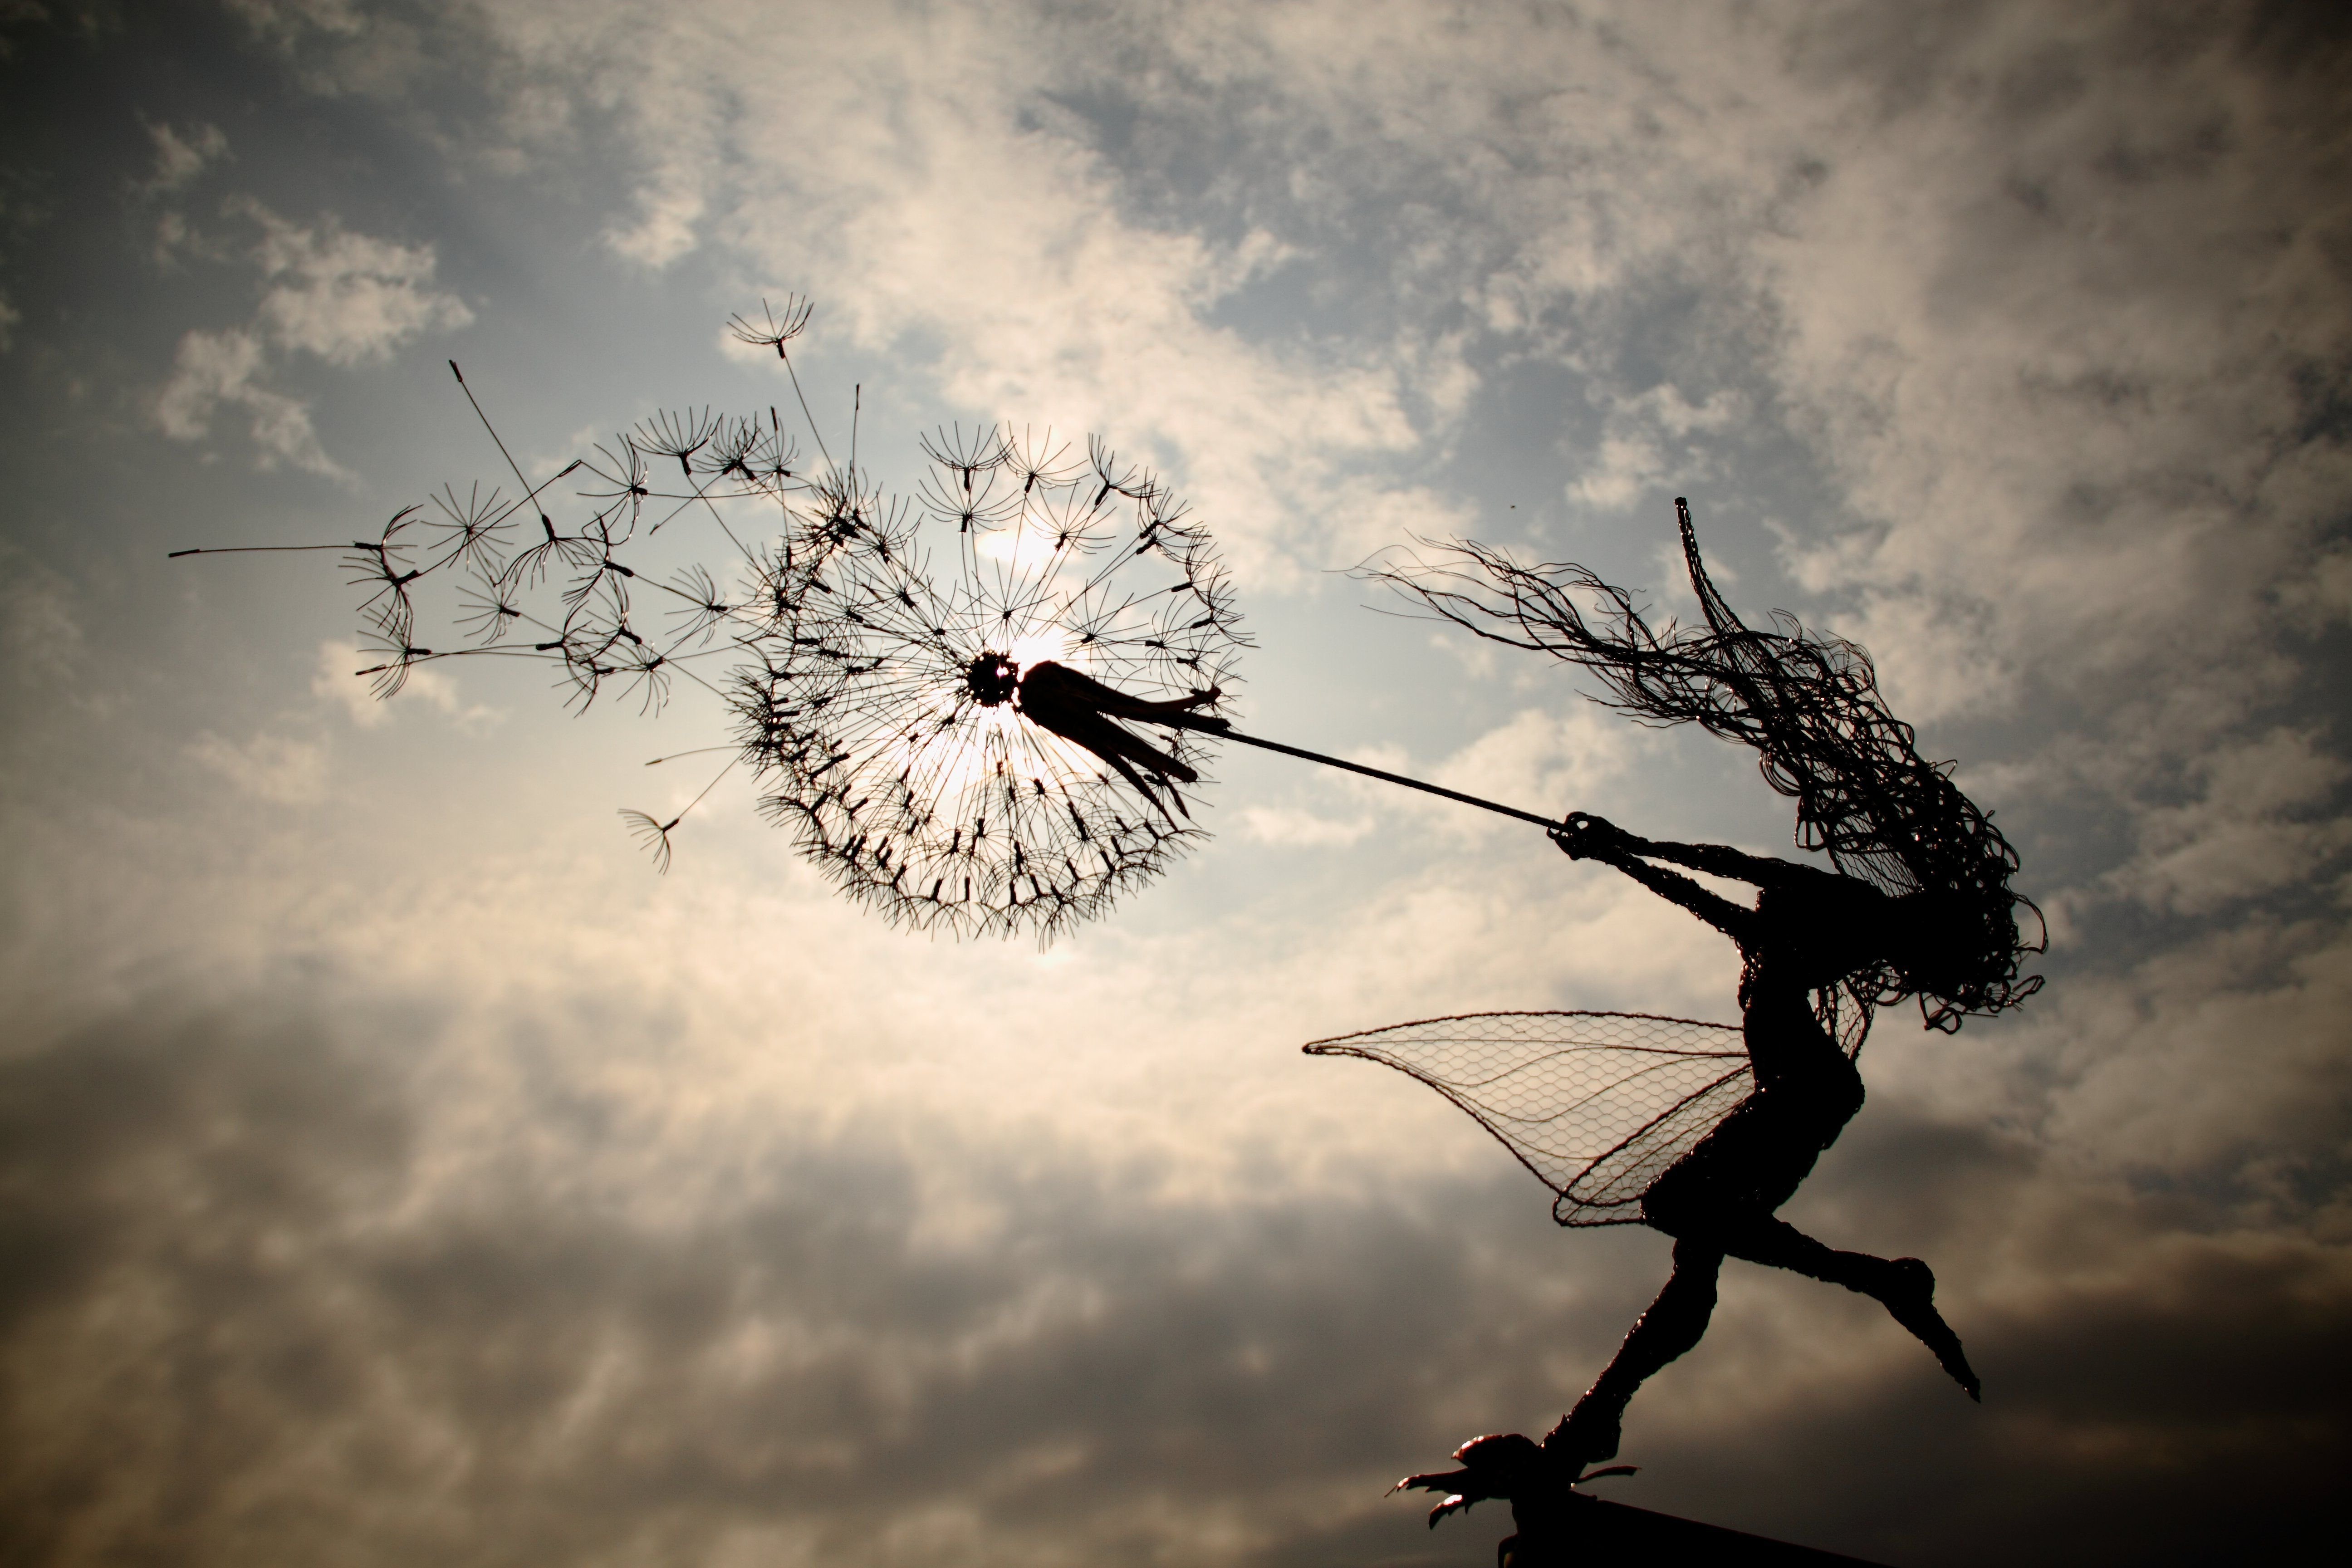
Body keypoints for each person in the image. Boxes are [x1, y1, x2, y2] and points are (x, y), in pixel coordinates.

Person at [1357, 501, 2041, 1526]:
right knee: (1694, 1262)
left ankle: (1877, 1279)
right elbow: (1701, 895)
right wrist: (1612, 854)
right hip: (1792, 1087)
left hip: (1807, 1088)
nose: (1767, 888)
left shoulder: (1836, 913)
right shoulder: (1769, 937)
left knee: (1685, 1209)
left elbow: (1733, 865)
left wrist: (1642, 837)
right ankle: (1586, 1432)